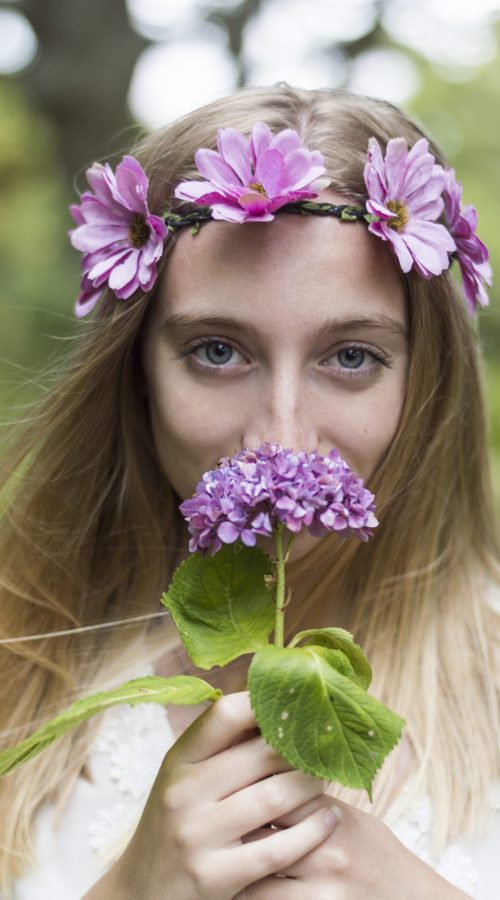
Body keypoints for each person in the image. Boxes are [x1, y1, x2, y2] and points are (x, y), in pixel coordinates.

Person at [0, 83, 498, 899]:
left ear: (429, 384)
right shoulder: (16, 673)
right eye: (218, 351)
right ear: (135, 374)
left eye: (351, 358)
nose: (280, 437)